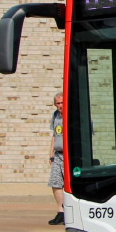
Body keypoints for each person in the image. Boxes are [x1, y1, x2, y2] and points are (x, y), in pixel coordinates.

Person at [47, 92, 65, 225]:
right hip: (58, 155)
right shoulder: (55, 116)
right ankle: (61, 212)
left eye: (62, 103)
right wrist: (51, 154)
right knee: (55, 183)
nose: (60, 106)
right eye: (58, 103)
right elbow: (54, 135)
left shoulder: (72, 116)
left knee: (70, 185)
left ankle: (71, 212)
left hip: (69, 156)